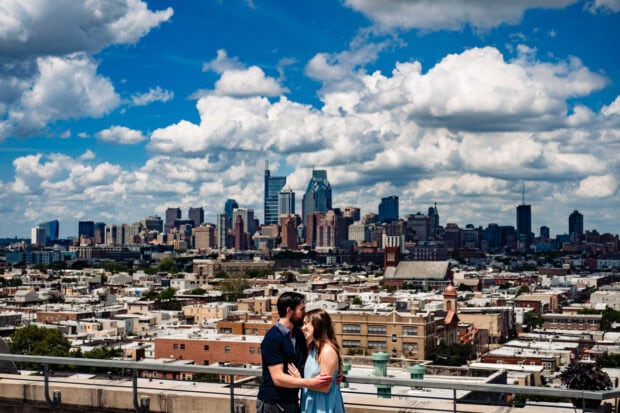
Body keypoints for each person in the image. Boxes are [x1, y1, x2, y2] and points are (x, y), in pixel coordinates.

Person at [257, 292, 333, 413]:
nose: (304, 313)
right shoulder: (272, 338)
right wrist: (309, 383)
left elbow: (311, 360)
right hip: (273, 403)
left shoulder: (299, 335)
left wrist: (334, 374)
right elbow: (278, 378)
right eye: (301, 309)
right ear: (289, 311)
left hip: (292, 401)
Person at [289, 308, 345, 413]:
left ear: (317, 324)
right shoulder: (313, 349)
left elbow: (325, 388)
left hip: (323, 405)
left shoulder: (327, 351)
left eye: (306, 324)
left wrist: (299, 381)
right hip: (312, 402)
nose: (303, 328)